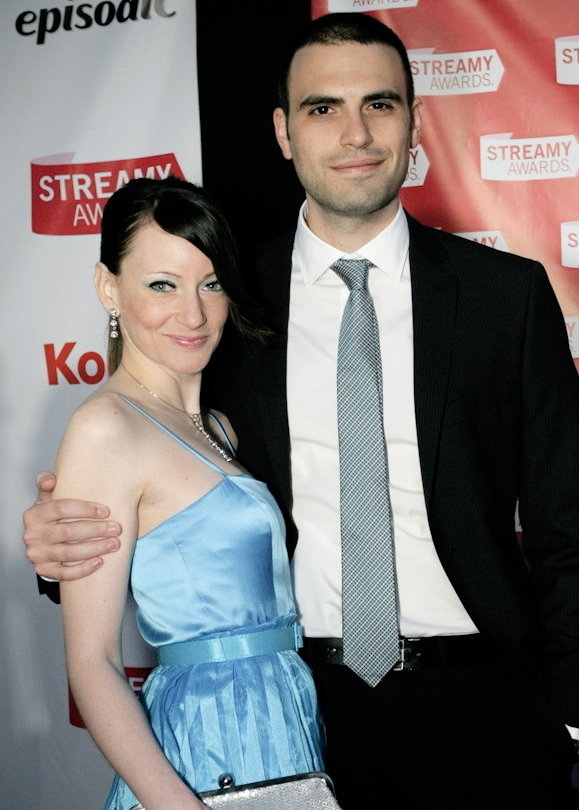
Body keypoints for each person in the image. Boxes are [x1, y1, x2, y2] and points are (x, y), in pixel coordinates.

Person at [23, 13, 579, 809]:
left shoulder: (504, 297)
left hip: (486, 707)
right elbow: (164, 477)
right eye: (322, 108)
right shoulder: (224, 306)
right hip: (294, 719)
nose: (354, 132)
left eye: (380, 104)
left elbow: (568, 524)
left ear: (414, 122)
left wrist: (569, 717)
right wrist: (66, 544)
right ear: (284, 132)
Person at [40, 176, 325, 810]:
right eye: (162, 285)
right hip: (204, 749)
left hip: (283, 735)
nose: (193, 314)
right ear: (108, 288)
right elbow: (92, 664)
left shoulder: (218, 425)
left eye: (211, 283)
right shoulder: (104, 428)